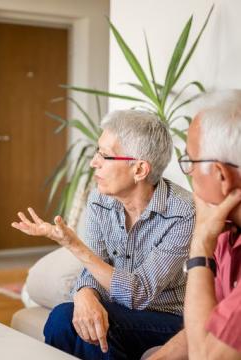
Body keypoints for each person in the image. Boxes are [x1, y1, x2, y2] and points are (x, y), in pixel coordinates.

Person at [12, 110, 195, 359]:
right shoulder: (101, 198)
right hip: (117, 309)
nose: (93, 162)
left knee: (74, 323)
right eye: (97, 152)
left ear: (140, 169)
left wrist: (74, 245)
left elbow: (138, 294)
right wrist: (84, 294)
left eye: (105, 155)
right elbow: (96, 267)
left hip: (166, 318)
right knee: (66, 320)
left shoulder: (183, 212)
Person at [147, 90, 241, 360]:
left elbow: (205, 356)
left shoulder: (208, 234)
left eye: (190, 161)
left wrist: (200, 245)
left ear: (221, 175)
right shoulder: (226, 232)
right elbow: (212, 324)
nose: (188, 174)